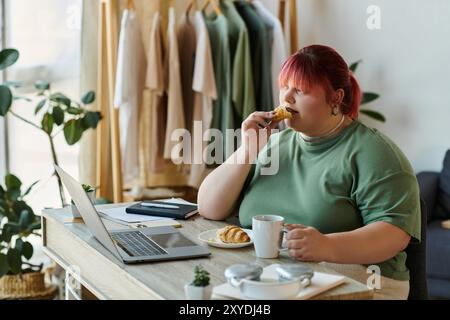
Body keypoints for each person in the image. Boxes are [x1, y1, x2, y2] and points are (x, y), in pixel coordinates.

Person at [197, 45, 420, 299]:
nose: (287, 98)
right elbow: (209, 207)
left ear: (336, 98)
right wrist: (247, 150)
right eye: (285, 87)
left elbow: (394, 235)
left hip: (360, 283)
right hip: (272, 275)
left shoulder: (375, 153)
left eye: (300, 90)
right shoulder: (274, 144)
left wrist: (327, 246)